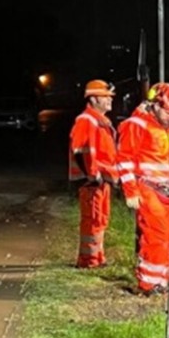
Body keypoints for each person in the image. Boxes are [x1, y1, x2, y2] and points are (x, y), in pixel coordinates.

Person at [117, 82, 169, 296]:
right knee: (156, 235)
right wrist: (131, 191)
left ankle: (168, 280)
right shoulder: (136, 125)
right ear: (155, 106)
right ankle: (149, 285)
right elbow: (124, 159)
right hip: (149, 189)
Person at [68, 80, 119, 268]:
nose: (110, 100)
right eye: (106, 97)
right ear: (94, 98)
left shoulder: (99, 121)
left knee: (100, 219)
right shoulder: (86, 120)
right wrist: (93, 175)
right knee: (93, 220)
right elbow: (80, 150)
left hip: (100, 180)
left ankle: (97, 258)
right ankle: (88, 261)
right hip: (92, 182)